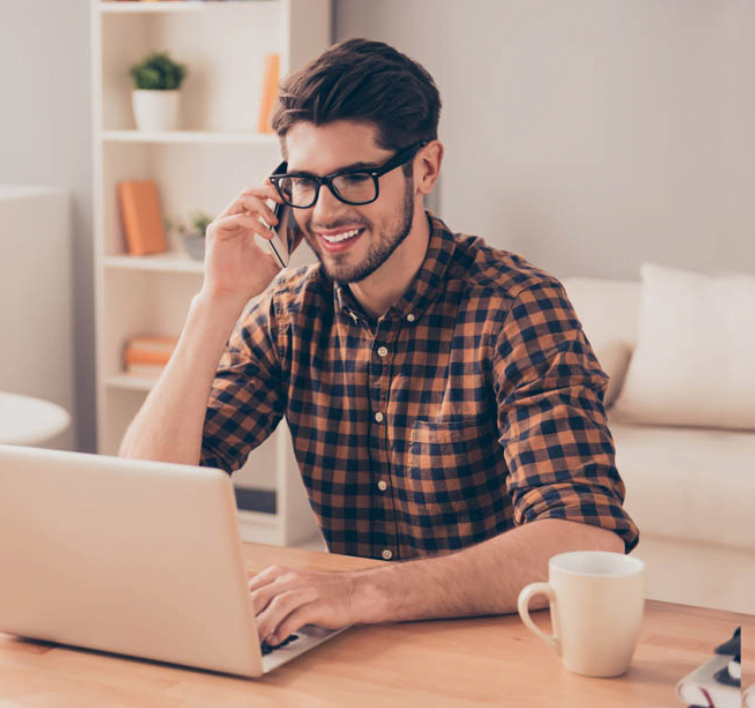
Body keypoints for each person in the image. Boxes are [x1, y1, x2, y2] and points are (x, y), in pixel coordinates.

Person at [119, 38, 638, 648]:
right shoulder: (287, 316)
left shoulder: (518, 308)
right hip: (355, 650)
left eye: (356, 178)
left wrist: (362, 591)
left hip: (500, 645)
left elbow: (583, 535)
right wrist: (216, 303)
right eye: (305, 183)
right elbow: (148, 503)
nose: (325, 212)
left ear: (426, 167)